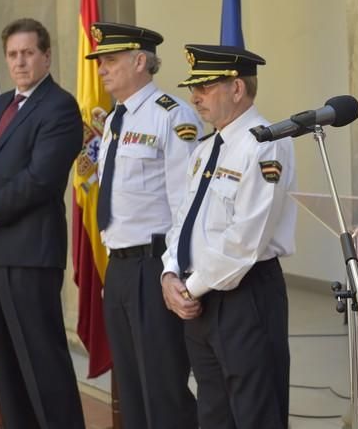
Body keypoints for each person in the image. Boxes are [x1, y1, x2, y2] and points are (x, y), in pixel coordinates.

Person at [0, 18, 85, 428]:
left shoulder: (60, 107)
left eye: (28, 53)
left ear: (46, 56)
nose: (20, 62)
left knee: (43, 364)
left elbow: (40, 179)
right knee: (7, 368)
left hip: (30, 255)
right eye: (13, 54)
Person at [161, 44, 297, 429]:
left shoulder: (266, 144)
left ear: (237, 89)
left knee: (256, 415)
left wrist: (189, 287)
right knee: (214, 415)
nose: (195, 97)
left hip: (245, 297)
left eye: (205, 87)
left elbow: (244, 240)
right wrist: (169, 274)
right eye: (194, 88)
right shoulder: (205, 149)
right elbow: (181, 222)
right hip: (199, 298)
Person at [85, 22, 201, 428]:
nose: (101, 69)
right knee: (131, 389)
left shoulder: (172, 116)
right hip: (119, 266)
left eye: (110, 60)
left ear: (139, 61)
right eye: (100, 62)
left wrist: (175, 271)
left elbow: (187, 205)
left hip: (154, 267)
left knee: (162, 387)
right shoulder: (117, 119)